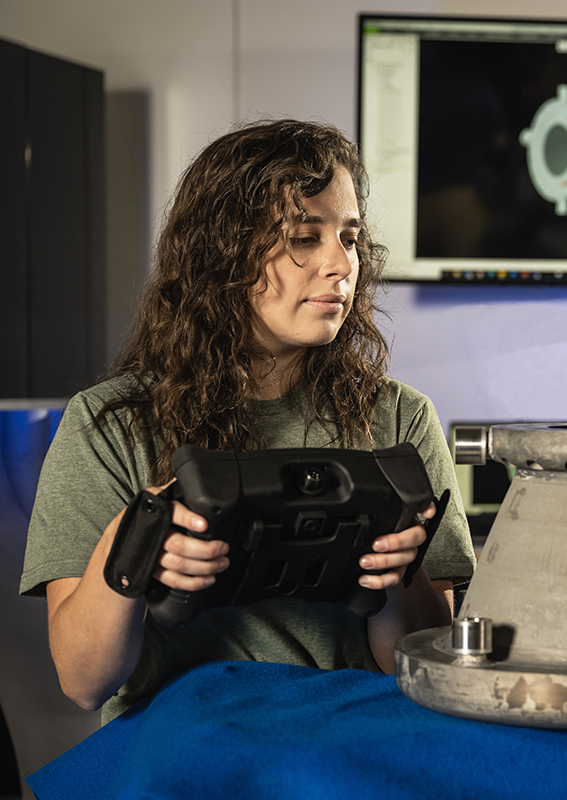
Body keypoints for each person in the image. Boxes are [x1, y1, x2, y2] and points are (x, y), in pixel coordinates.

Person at [20, 119, 476, 723]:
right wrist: (134, 542)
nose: (341, 265)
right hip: (187, 737)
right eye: (305, 238)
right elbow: (84, 680)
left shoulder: (400, 418)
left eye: (350, 237)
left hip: (352, 733)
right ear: (223, 253)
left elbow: (420, 667)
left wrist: (396, 571)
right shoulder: (110, 424)